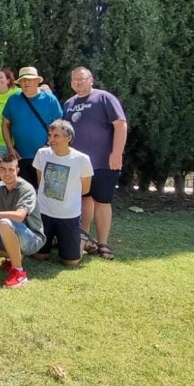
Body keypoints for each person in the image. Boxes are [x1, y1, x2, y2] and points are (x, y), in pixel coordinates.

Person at [64, 67, 127, 260]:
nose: (78, 82)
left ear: (91, 80)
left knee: (102, 201)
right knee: (84, 199)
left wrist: (117, 153)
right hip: (77, 164)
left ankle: (103, 244)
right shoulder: (68, 103)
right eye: (74, 80)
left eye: (82, 79)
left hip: (103, 162)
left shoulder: (104, 98)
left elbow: (120, 124)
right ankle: (83, 238)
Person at [0, 155, 46, 288]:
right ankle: (13, 256)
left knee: (4, 222)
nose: (7, 173)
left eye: (11, 169)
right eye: (3, 170)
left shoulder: (27, 188)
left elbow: (19, 216)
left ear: (17, 170)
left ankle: (19, 273)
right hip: (8, 231)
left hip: (32, 238)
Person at [32, 120, 93, 266]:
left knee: (71, 262)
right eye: (50, 135)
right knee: (39, 256)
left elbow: (85, 189)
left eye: (56, 136)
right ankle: (54, 239)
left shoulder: (82, 159)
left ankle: (82, 239)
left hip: (68, 215)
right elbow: (41, 182)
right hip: (44, 213)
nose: (51, 140)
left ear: (68, 138)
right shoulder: (42, 154)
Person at [2, 66, 63, 184]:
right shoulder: (13, 100)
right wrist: (10, 148)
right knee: (25, 193)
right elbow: (5, 124)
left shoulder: (50, 99)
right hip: (21, 156)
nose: (26, 83)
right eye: (23, 80)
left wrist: (50, 144)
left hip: (48, 154)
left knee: (47, 191)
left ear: (37, 81)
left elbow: (59, 126)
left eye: (29, 79)